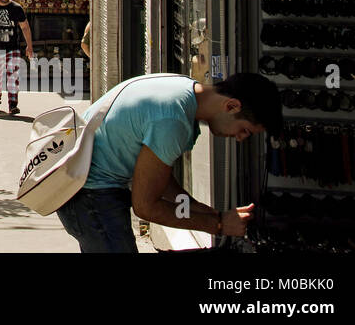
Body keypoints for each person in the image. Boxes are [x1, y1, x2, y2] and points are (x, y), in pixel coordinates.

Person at [56, 72, 283, 253]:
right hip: (92, 199)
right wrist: (219, 225)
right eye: (245, 130)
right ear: (232, 106)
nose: (241, 138)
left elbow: (161, 182)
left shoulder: (181, 87)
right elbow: (145, 207)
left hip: (85, 191)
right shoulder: (174, 120)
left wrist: (205, 212)